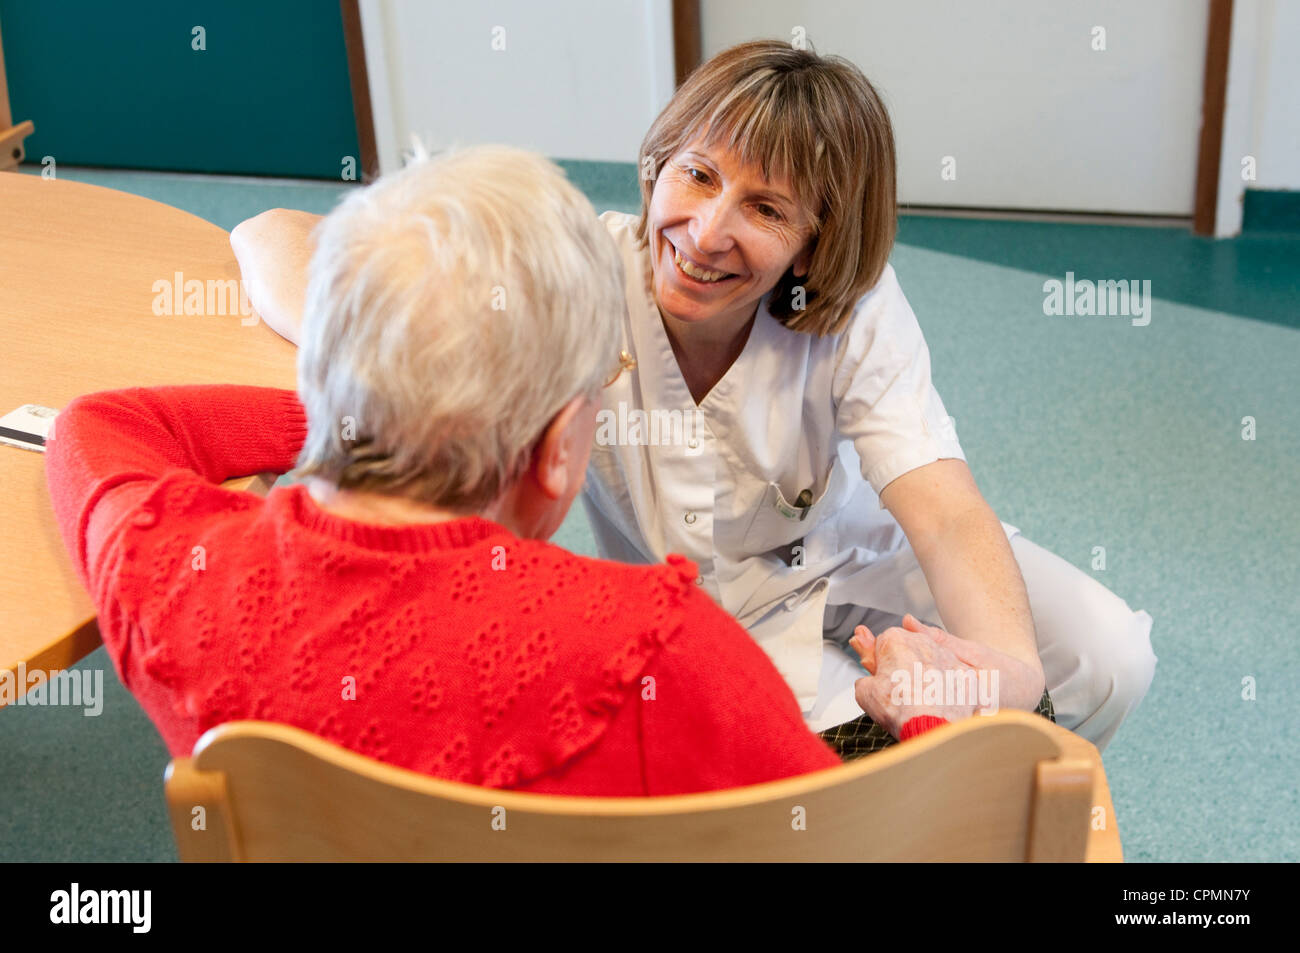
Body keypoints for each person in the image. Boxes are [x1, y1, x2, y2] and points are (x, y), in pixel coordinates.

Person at [230, 41, 1156, 754]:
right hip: (687, 609)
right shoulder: (578, 270)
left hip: (857, 564)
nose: (706, 233)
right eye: (699, 176)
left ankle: (1000, 805)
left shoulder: (854, 308)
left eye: (766, 208)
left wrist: (1006, 674)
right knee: (796, 782)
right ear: (659, 163)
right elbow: (273, 232)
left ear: (814, 240)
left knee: (1108, 655)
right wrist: (370, 339)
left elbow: (945, 512)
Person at [45, 144, 867, 796]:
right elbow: (845, 840)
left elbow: (99, 425)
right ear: (555, 450)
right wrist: (928, 723)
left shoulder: (168, 575)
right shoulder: (666, 652)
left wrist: (369, 409)